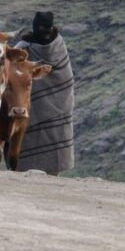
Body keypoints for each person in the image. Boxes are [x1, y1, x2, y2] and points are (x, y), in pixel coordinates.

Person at [13, 11, 75, 174]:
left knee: (32, 140)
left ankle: (31, 172)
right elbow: (66, 79)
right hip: (58, 107)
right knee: (54, 139)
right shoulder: (59, 45)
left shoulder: (23, 49)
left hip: (37, 108)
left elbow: (10, 72)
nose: (45, 34)